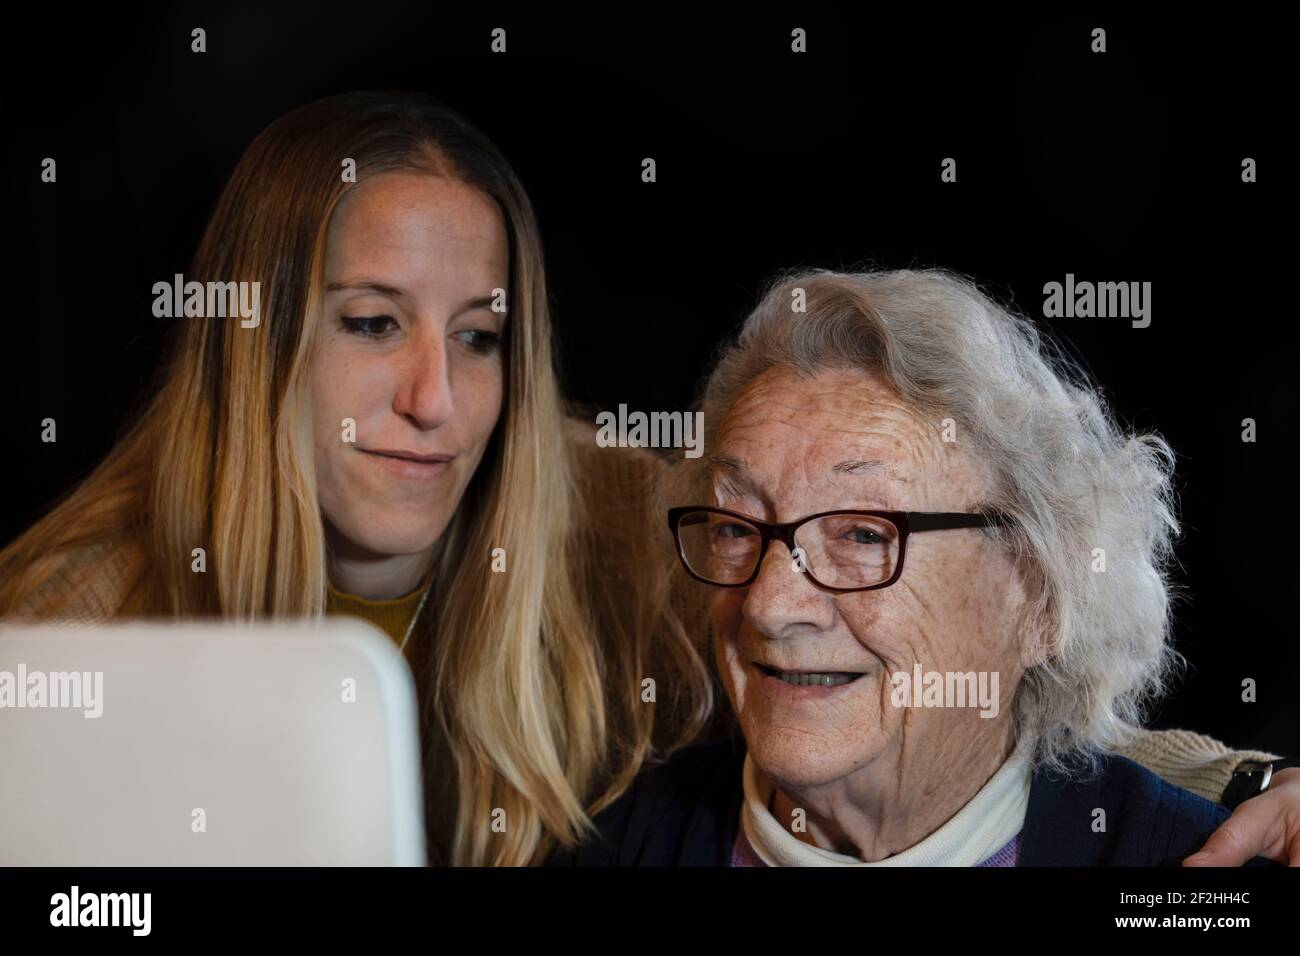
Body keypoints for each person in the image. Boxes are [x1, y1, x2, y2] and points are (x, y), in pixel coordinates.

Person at [1, 95, 1291, 866]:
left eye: (481, 334)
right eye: (371, 321)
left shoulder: (624, 519)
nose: (434, 402)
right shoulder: (59, 632)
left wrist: (1233, 786)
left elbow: (945, 673)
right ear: (255, 335)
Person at [552, 267, 1298, 866]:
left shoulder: (1191, 872)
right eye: (737, 527)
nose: (769, 605)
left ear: (1037, 600)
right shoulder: (611, 847)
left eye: (863, 534)